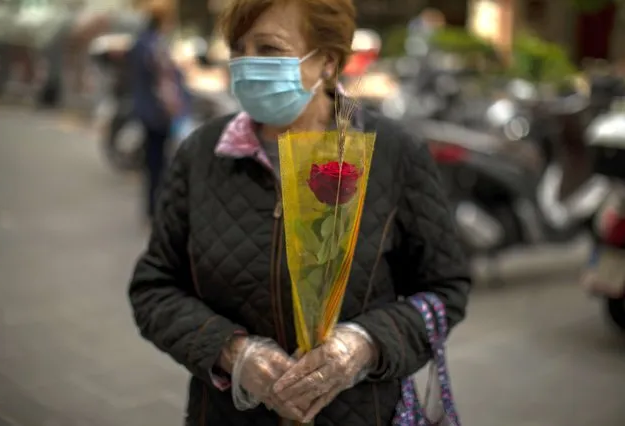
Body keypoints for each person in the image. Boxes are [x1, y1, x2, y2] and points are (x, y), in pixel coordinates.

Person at [127, 0, 471, 424]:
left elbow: (445, 288)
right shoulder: (201, 153)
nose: (248, 63)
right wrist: (232, 353)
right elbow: (154, 287)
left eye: (269, 48)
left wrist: (365, 344)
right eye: (239, 47)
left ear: (327, 61)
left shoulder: (393, 153)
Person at [128, 0, 183, 221]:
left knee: (154, 162)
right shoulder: (155, 45)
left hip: (148, 110)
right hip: (157, 113)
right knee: (157, 163)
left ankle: (153, 207)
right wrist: (174, 107)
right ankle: (155, 208)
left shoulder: (143, 43)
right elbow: (164, 83)